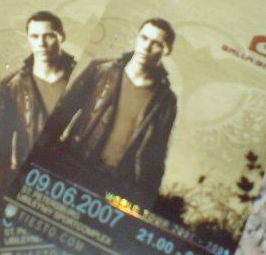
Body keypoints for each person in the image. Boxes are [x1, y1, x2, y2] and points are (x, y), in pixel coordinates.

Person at [37, 18, 177, 209]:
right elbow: (62, 113)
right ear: (137, 37)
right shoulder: (100, 70)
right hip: (73, 164)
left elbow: (157, 154)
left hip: (115, 185)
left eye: (156, 44)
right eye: (144, 38)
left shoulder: (165, 100)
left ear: (166, 50)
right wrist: (41, 155)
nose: (146, 47)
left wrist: (144, 201)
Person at [0, 11, 76, 179]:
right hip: (30, 176)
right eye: (35, 36)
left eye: (49, 36)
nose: (41, 43)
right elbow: (1, 143)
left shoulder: (83, 76)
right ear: (28, 39)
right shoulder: (11, 85)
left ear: (62, 37)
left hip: (74, 174)